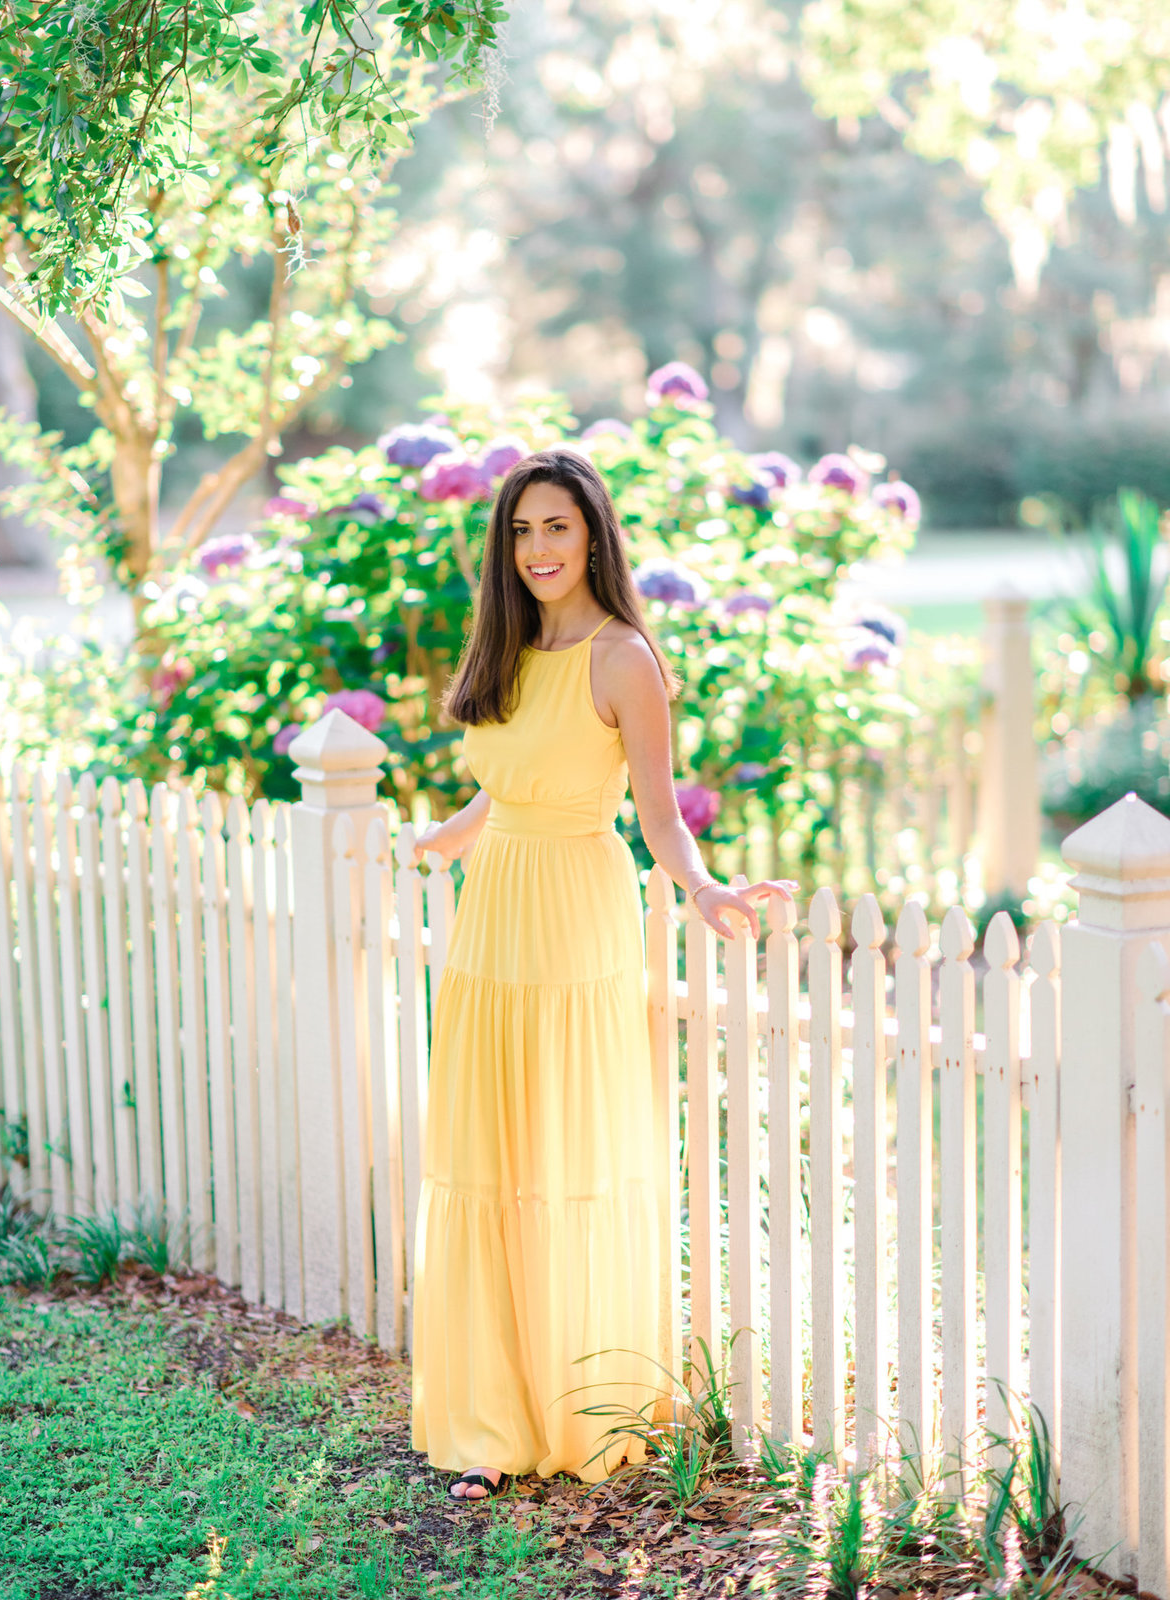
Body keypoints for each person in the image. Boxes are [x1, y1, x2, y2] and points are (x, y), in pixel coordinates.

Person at [409, 447, 797, 1501]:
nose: (539, 548)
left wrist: (705, 887)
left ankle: (577, 1403)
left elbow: (657, 810)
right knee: (489, 1156)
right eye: (523, 530)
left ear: (592, 536)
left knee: (562, 1154)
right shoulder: (509, 645)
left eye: (557, 528)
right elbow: (509, 783)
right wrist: (443, 834)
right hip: (491, 921)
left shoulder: (624, 657)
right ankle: (491, 1419)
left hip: (577, 917)